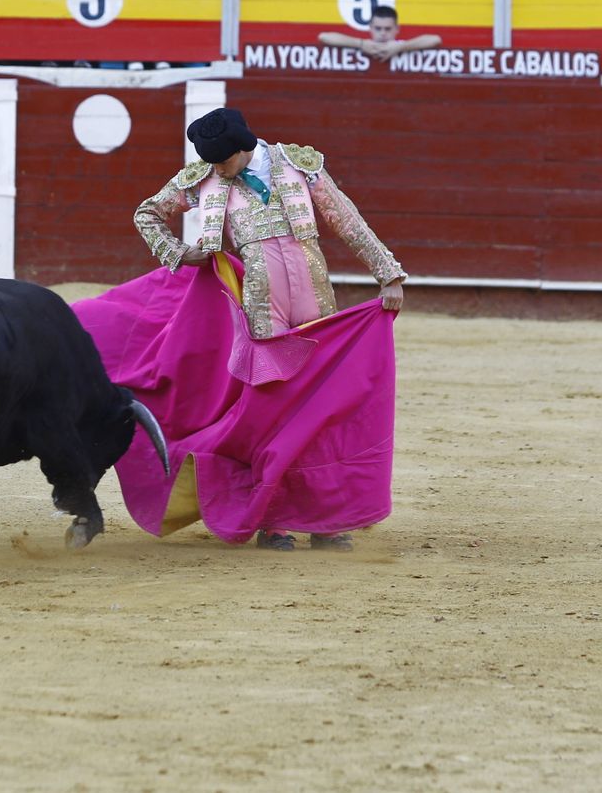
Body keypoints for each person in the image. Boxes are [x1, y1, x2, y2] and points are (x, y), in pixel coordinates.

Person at [130, 106, 406, 552]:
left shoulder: (299, 164)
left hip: (314, 295)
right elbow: (147, 213)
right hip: (260, 302)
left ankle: (326, 520)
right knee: (273, 407)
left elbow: (345, 219)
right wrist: (179, 252)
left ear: (243, 148)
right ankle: (273, 518)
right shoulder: (205, 177)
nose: (217, 171)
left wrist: (388, 273)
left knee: (323, 405)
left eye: (223, 162)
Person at [319, 4, 441, 60]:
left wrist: (401, 47)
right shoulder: (362, 44)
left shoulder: (402, 45)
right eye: (378, 28)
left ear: (397, 29)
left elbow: (435, 39)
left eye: (388, 29)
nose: (383, 33)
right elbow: (324, 37)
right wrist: (360, 44)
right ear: (370, 28)